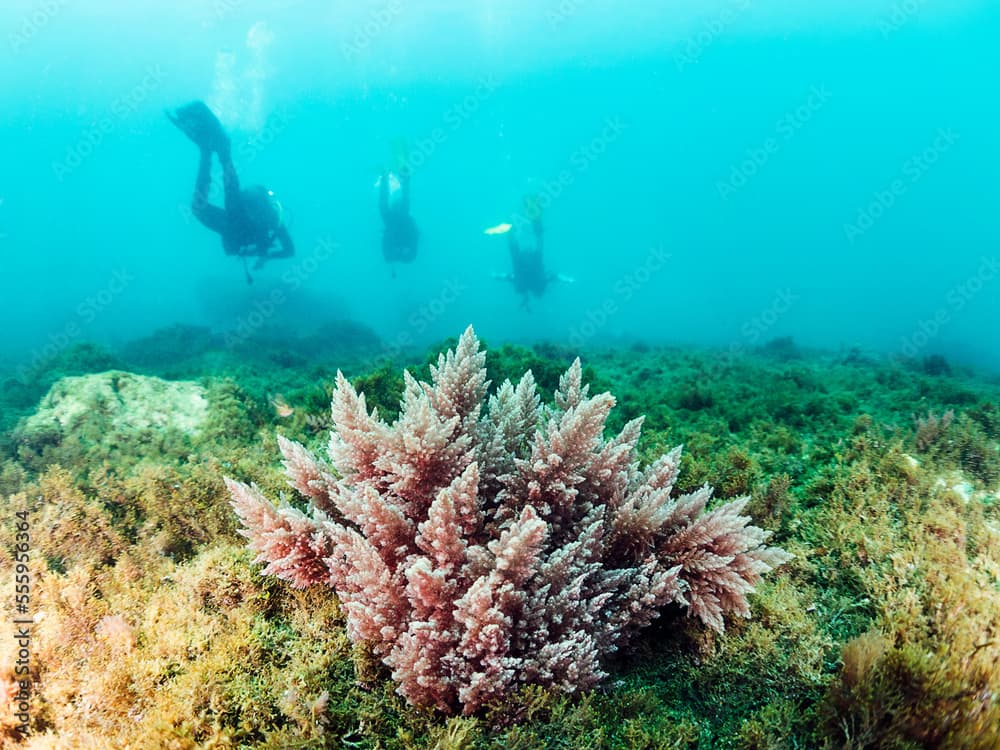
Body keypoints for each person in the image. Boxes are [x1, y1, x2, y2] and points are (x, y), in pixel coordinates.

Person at [167, 100, 293, 283]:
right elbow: (289, 250)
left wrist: (264, 256)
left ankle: (206, 150)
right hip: (237, 220)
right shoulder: (272, 221)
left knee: (198, 208)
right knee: (229, 194)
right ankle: (222, 149)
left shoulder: (274, 223)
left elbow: (290, 251)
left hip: (231, 226)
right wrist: (265, 255)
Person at [378, 167, 419, 272]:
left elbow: (387, 256)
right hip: (400, 223)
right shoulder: (409, 248)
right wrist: (401, 253)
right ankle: (404, 178)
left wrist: (397, 253)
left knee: (384, 206)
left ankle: (386, 178)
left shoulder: (397, 252)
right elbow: (411, 255)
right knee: (402, 204)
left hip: (394, 224)